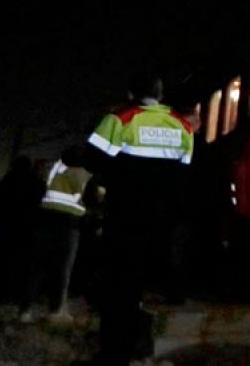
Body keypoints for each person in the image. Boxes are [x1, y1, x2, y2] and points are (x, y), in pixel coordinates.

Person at [82, 73, 194, 366]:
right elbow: (183, 174)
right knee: (142, 283)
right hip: (162, 221)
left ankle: (113, 354)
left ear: (131, 94)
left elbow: (92, 159)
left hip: (125, 214)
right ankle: (138, 346)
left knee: (118, 283)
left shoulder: (121, 118)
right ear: (160, 95)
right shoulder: (182, 126)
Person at [18, 144, 93, 322]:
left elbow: (37, 188)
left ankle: (24, 311)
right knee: (62, 270)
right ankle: (56, 311)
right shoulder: (84, 174)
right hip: (69, 225)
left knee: (36, 268)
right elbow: (91, 199)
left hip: (44, 220)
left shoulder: (51, 170)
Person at [0, 156, 41, 301]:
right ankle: (18, 293)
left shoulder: (4, 183)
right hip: (27, 230)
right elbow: (43, 207)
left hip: (5, 229)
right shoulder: (36, 183)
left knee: (1, 261)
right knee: (23, 263)